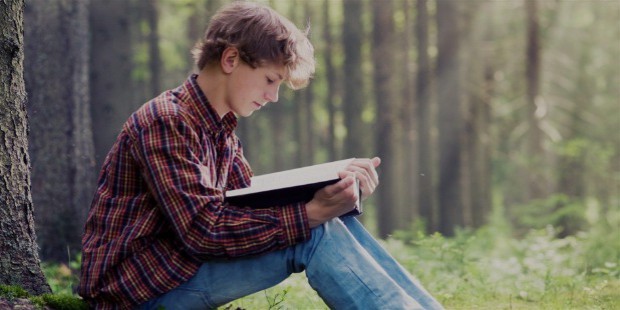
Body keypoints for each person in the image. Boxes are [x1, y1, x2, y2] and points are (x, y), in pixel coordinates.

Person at [78, 1, 443, 309]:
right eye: (271, 80)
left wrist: (330, 190)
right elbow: (204, 232)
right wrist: (309, 214)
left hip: (176, 271)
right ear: (231, 59)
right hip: (136, 291)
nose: (273, 96)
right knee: (313, 232)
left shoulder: (221, 131)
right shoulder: (167, 121)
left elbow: (246, 210)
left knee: (330, 222)